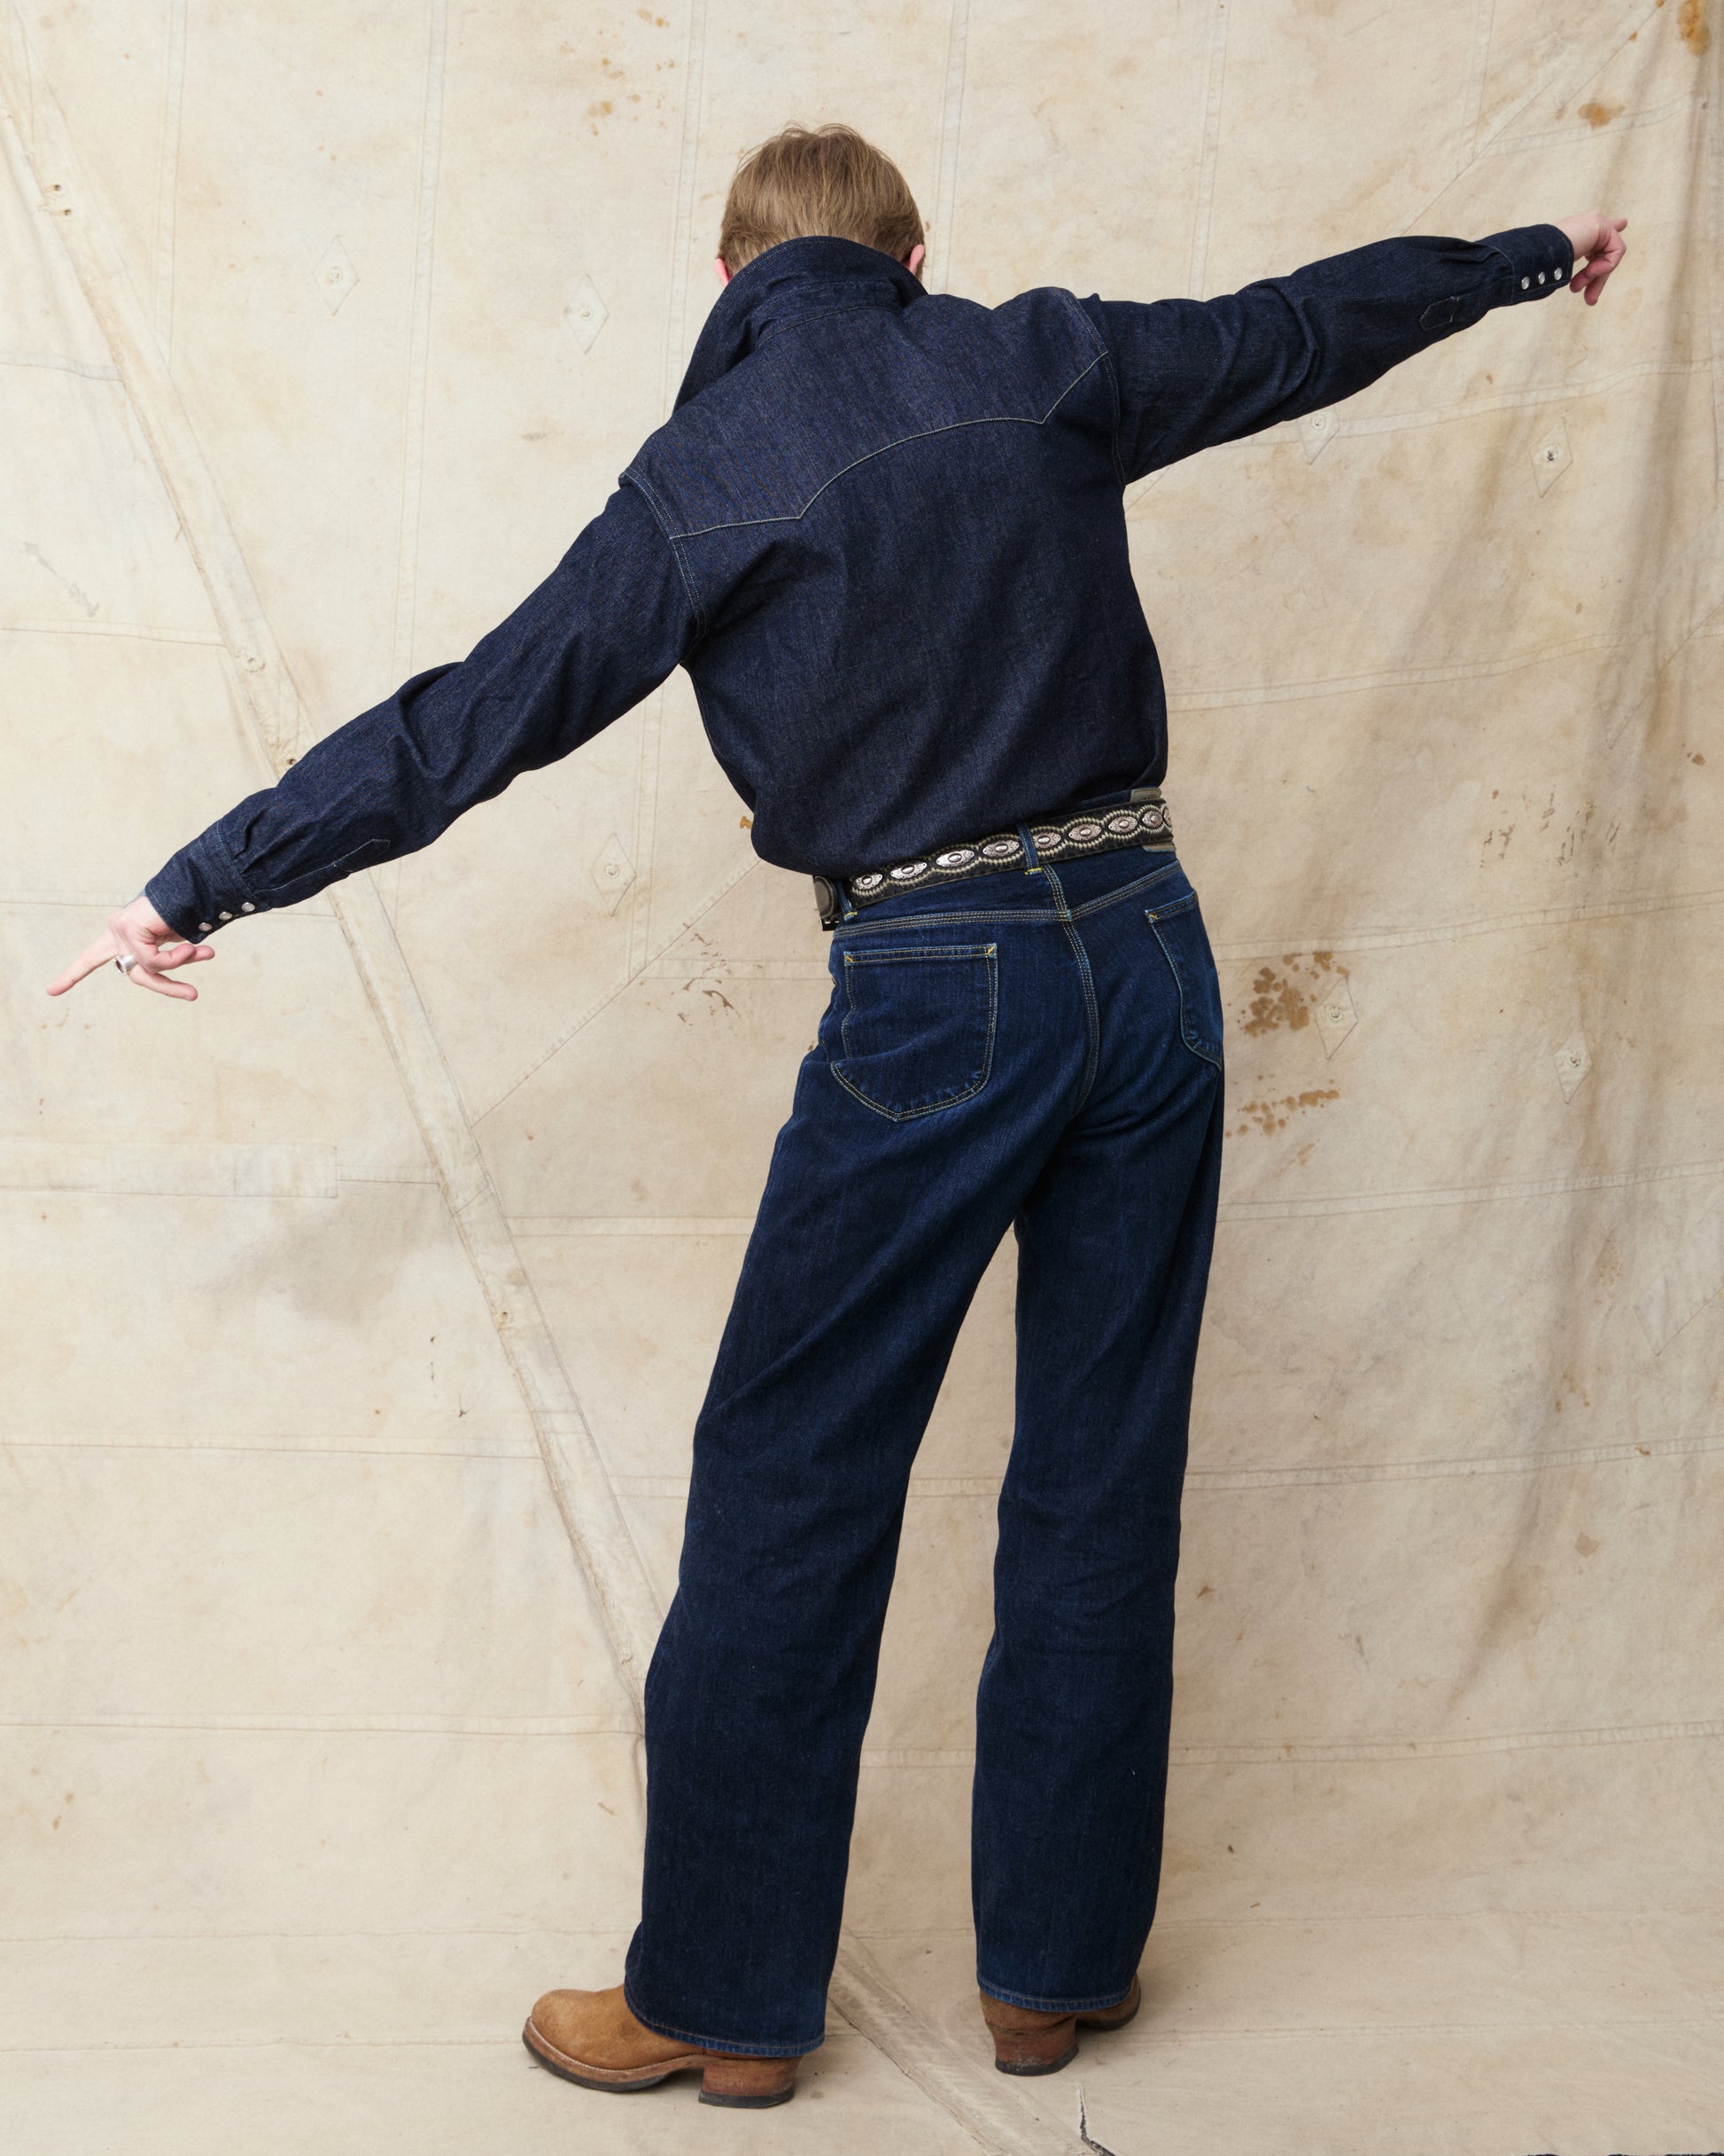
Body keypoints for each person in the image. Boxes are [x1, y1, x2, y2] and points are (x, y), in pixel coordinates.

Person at [47, 123, 1627, 2110]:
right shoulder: (1042, 352)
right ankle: (1053, 1974)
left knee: (791, 1482)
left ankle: (722, 1998)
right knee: (1101, 1464)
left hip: (934, 985)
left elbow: (471, 719)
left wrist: (199, 882)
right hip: (1150, 951)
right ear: (912, 257)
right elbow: (1293, 326)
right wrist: (1519, 252)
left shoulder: (704, 472)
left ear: (728, 286)